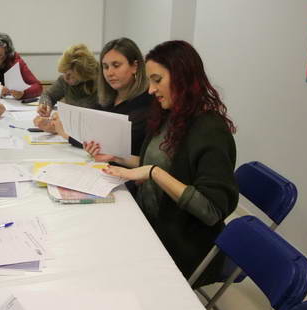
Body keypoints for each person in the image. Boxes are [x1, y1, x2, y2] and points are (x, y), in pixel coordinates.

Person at [86, 40, 239, 287]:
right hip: (148, 220)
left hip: (181, 243)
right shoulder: (170, 115)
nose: (150, 90)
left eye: (157, 80)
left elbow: (211, 209)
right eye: (150, 81)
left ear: (182, 78)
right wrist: (116, 157)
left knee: (103, 272)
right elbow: (154, 163)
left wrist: (153, 174)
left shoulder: (211, 131)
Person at [51, 38, 153, 158]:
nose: (109, 73)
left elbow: (107, 145)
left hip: (126, 172)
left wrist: (66, 133)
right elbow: (91, 134)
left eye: (116, 65)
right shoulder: (107, 98)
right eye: (105, 67)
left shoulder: (145, 103)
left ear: (135, 66)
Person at [33, 44, 99, 132]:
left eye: (70, 74)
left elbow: (95, 119)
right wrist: (45, 105)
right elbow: (48, 95)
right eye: (63, 72)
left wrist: (60, 125)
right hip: (70, 132)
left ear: (83, 73)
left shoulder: (99, 84)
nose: (65, 77)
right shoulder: (64, 81)